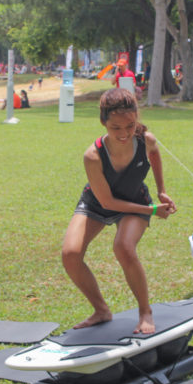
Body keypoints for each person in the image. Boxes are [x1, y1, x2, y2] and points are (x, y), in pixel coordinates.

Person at [61, 88, 176, 334]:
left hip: (134, 198)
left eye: (130, 126)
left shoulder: (146, 140)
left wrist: (161, 190)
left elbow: (154, 154)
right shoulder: (93, 156)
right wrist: (152, 210)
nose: (124, 133)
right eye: (116, 128)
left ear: (136, 119)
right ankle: (101, 310)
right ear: (103, 122)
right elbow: (108, 203)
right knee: (70, 254)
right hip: (98, 202)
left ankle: (145, 312)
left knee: (123, 247)